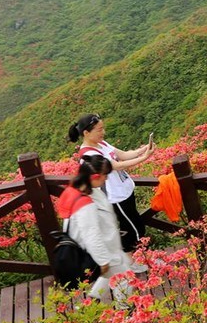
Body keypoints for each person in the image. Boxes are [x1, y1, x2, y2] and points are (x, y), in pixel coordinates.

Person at [68, 113, 152, 263]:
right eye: (99, 130)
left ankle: (131, 262)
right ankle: (136, 262)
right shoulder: (89, 154)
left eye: (103, 128)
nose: (103, 132)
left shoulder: (102, 144)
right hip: (115, 197)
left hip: (124, 190)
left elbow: (123, 155)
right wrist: (144, 158)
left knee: (132, 224)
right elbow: (115, 166)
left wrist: (143, 150)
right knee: (135, 229)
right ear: (86, 133)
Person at [56, 155, 133, 304]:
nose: (106, 179)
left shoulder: (80, 189)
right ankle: (125, 312)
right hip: (101, 250)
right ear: (96, 176)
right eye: (105, 175)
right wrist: (103, 261)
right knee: (124, 277)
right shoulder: (85, 203)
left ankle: (91, 302)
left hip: (107, 246)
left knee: (111, 273)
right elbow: (91, 235)